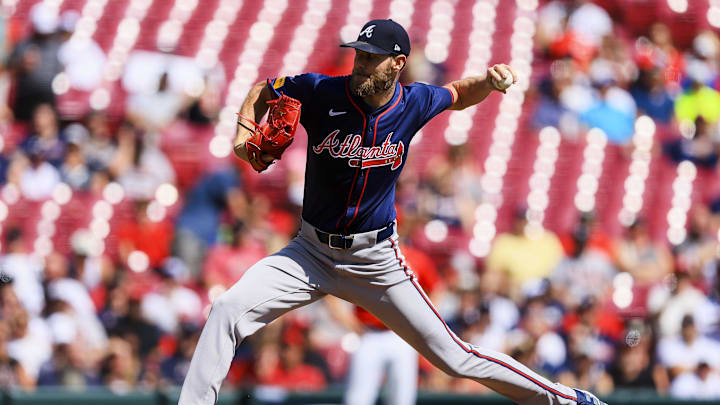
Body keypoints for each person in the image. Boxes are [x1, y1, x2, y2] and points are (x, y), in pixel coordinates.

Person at [179, 19, 607, 405]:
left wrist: (489, 83)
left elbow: (457, 94)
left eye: (371, 59)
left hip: (375, 260)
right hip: (309, 253)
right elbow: (264, 89)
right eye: (359, 55)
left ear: (397, 63)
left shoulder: (414, 102)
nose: (361, 64)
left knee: (455, 357)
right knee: (226, 309)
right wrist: (242, 138)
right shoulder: (319, 90)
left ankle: (569, 401)